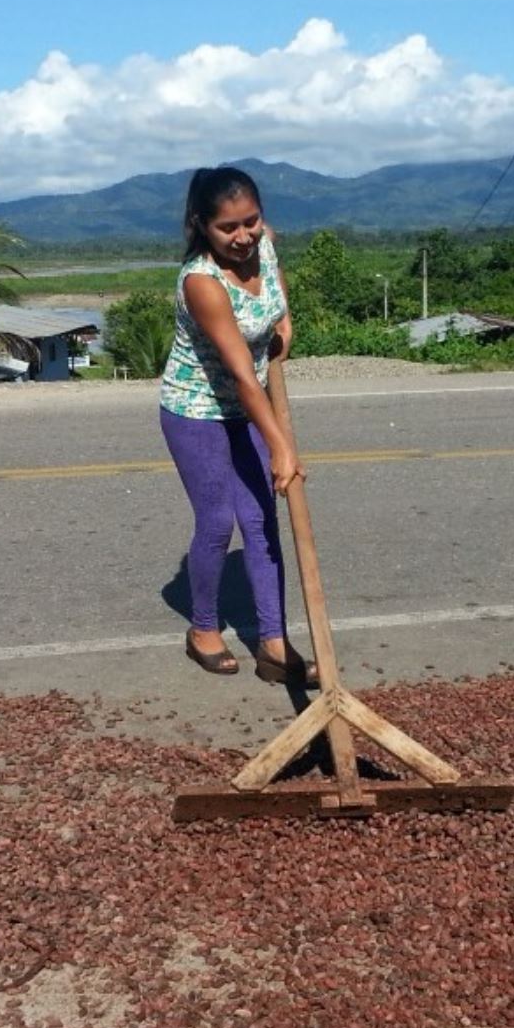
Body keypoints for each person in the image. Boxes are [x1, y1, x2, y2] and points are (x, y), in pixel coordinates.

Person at [160, 166, 317, 684]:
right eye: (228, 228)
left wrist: (285, 322)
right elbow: (243, 379)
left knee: (260, 520)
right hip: (196, 408)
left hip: (246, 401)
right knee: (218, 519)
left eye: (250, 221)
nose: (243, 236)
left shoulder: (263, 243)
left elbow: (274, 293)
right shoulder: (202, 284)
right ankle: (203, 629)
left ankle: (274, 645)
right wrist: (282, 448)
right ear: (202, 225)